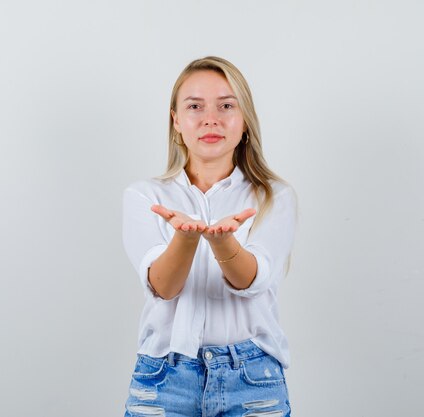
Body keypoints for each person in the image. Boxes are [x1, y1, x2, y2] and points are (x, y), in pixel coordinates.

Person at [122, 56, 297, 417]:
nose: (210, 119)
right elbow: (163, 287)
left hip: (251, 379)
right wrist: (186, 238)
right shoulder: (144, 196)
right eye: (195, 106)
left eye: (226, 106)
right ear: (176, 122)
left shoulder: (274, 196)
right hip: (162, 377)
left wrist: (222, 242)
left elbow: (252, 279)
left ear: (244, 119)